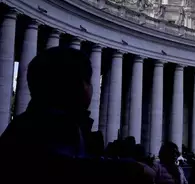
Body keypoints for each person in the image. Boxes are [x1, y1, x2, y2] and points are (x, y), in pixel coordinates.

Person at [0, 46, 154, 184]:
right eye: (89, 82)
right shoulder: (52, 127)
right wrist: (128, 170)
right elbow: (59, 168)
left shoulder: (27, 124)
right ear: (80, 86)